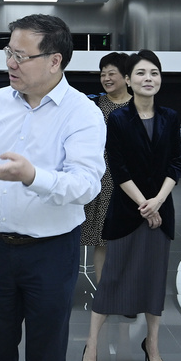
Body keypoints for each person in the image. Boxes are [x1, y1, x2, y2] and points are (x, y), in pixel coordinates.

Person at [0, 14, 105, 361]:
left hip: (50, 253)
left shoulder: (82, 113)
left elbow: (86, 185)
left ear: (54, 61)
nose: (11, 63)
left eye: (21, 56)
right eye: (9, 52)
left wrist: (32, 176)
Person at [80, 50, 181, 361]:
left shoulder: (170, 117)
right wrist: (144, 204)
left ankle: (152, 344)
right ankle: (91, 345)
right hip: (126, 208)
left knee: (155, 280)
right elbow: (118, 166)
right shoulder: (118, 118)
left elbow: (176, 163)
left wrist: (158, 201)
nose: (148, 78)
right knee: (111, 278)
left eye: (154, 73)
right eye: (141, 73)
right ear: (129, 79)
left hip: (161, 211)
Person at [80, 52, 131, 281]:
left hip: (130, 179)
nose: (106, 79)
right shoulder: (94, 106)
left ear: (126, 77)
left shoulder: (139, 105)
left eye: (112, 73)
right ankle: (104, 292)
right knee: (102, 238)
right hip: (102, 178)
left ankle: (127, 290)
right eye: (103, 74)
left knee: (129, 239)